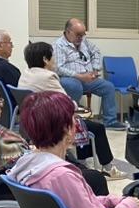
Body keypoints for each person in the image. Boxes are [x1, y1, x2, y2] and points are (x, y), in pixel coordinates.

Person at [9, 92, 139, 208]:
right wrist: (128, 205)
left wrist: (111, 201)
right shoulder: (61, 176)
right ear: (66, 128)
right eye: (74, 119)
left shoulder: (29, 167)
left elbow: (77, 205)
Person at [18, 41, 122, 179]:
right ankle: (108, 168)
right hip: (52, 123)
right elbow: (67, 103)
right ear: (45, 59)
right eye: (52, 56)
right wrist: (79, 108)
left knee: (82, 121)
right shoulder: (47, 76)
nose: (54, 60)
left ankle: (83, 162)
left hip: (33, 121)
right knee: (96, 127)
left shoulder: (25, 74)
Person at [53, 18, 126, 130]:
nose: (81, 37)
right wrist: (79, 76)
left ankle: (110, 122)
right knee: (74, 86)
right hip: (69, 79)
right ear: (68, 32)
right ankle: (73, 121)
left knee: (108, 87)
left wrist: (95, 69)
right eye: (78, 34)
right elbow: (58, 68)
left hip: (87, 78)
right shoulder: (59, 45)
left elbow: (95, 51)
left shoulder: (84, 41)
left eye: (83, 34)